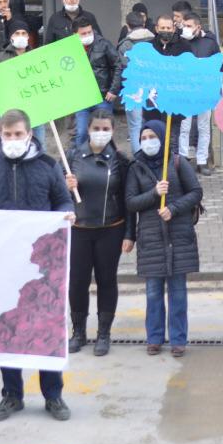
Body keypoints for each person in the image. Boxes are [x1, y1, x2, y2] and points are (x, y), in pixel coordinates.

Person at [0, 109, 75, 421]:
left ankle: (53, 395)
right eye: (8, 135)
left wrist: (67, 213)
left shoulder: (47, 166)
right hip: (2, 266)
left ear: (30, 135)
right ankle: (11, 395)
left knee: (46, 329)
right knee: (5, 331)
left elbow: (62, 201)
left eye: (18, 134)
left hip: (41, 268)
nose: (13, 140)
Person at [127, 119, 202, 357]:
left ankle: (179, 339)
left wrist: (174, 208)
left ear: (162, 137)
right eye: (143, 138)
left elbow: (196, 192)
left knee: (178, 292)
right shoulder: (136, 167)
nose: (148, 142)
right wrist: (154, 194)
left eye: (152, 137)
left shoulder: (178, 161)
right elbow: (130, 202)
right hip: (150, 238)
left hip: (178, 236)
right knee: (153, 292)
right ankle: (155, 338)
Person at [65, 108, 132, 356]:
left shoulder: (120, 160)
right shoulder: (71, 156)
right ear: (88, 129)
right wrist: (66, 184)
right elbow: (56, 195)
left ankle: (104, 333)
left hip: (110, 230)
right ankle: (78, 331)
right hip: (79, 229)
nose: (100, 133)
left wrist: (129, 233)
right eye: (96, 129)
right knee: (78, 282)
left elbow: (127, 199)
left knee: (107, 281)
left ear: (113, 131)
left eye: (105, 129)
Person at [175, 11, 221, 173]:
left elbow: (219, 65)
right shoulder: (179, 42)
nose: (185, 29)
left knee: (203, 127)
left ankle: (202, 161)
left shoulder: (210, 43)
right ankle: (183, 158)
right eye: (184, 26)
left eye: (189, 26)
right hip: (185, 91)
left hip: (204, 91)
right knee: (184, 126)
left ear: (198, 27)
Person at [73, 18, 121, 148]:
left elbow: (118, 65)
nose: (88, 35)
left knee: (103, 134)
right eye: (83, 33)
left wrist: (113, 89)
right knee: (81, 133)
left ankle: (107, 162)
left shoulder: (103, 44)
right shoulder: (69, 48)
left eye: (89, 32)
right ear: (75, 35)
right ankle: (81, 162)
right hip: (81, 98)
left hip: (102, 97)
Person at [115, 12, 156, 151]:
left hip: (132, 88)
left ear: (127, 26)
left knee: (135, 126)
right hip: (154, 87)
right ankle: (154, 154)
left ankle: (138, 158)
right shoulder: (155, 41)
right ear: (144, 23)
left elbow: (122, 68)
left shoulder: (125, 45)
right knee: (154, 123)